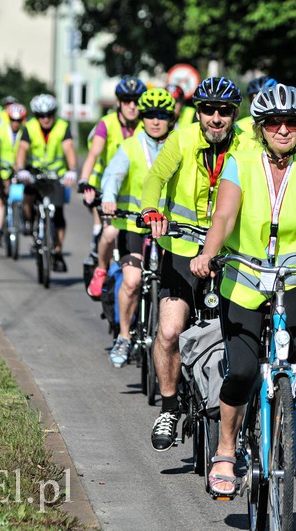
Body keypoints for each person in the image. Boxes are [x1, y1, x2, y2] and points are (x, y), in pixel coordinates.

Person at [190, 84, 296, 496]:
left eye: (291, 122)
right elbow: (224, 215)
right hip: (245, 276)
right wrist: (208, 253)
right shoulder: (240, 161)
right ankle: (225, 451)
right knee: (243, 369)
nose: (282, 129)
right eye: (273, 122)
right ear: (260, 127)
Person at [139, 76, 259, 452]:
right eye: (208, 110)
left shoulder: (249, 145)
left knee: (246, 333)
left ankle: (250, 413)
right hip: (182, 248)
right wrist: (151, 209)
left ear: (234, 114)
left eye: (224, 111)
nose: (216, 118)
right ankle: (169, 408)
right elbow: (156, 177)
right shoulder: (182, 138)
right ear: (198, 112)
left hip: (230, 251)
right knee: (170, 331)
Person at [101, 88, 176, 367]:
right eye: (150, 115)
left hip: (168, 227)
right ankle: (123, 335)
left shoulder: (179, 145)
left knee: (172, 284)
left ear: (170, 119)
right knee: (132, 281)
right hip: (133, 224)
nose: (155, 121)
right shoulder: (130, 145)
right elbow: (113, 174)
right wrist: (109, 198)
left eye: (162, 115)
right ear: (141, 118)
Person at [82, 76, 146, 298]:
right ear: (118, 102)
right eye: (127, 100)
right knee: (109, 233)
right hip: (107, 189)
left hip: (135, 192)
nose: (132, 106)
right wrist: (85, 181)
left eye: (136, 101)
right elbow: (93, 154)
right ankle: (101, 269)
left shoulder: (147, 125)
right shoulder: (107, 123)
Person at [14, 94, 78, 273]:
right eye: (41, 115)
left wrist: (72, 170)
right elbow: (22, 149)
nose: (45, 119)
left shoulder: (62, 127)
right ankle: (29, 221)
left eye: (49, 114)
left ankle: (57, 251)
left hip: (56, 175)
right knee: (28, 196)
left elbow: (69, 149)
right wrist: (21, 169)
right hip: (34, 172)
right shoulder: (29, 127)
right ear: (36, 116)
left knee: (58, 214)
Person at [0, 103, 27, 247]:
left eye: (19, 120)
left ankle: (25, 221)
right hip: (2, 171)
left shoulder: (25, 132)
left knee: (24, 198)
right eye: (13, 120)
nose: (15, 123)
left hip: (20, 172)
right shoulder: (1, 130)